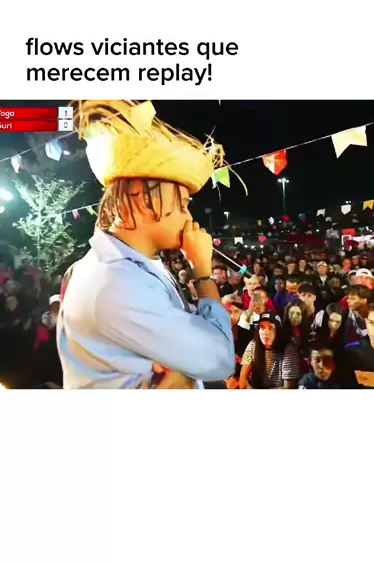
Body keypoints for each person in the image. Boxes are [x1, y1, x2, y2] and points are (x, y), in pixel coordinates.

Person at [58, 99, 235, 389]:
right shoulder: (116, 283)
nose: (188, 218)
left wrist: (184, 370)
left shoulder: (129, 267)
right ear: (143, 198)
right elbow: (220, 359)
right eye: (183, 204)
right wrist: (203, 271)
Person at [239, 312, 302, 389]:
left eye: (270, 328)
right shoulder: (253, 344)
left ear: (278, 330)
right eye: (262, 327)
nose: (265, 332)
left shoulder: (289, 350)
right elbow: (242, 379)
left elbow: (289, 388)